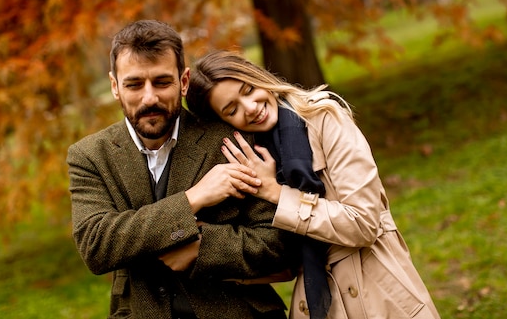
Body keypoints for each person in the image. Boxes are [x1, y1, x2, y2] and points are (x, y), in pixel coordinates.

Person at [186, 50, 441, 319]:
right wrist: (202, 248)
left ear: (259, 77)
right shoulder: (251, 159)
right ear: (224, 123)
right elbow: (282, 261)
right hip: (318, 304)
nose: (250, 107)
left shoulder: (323, 117)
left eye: (248, 89)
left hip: (379, 295)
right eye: (232, 109)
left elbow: (363, 224)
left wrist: (275, 192)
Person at [67, 21, 296, 319]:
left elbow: (277, 247)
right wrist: (192, 200)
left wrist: (203, 249)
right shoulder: (89, 156)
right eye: (134, 84)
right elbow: (96, 246)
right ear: (115, 87)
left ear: (184, 81)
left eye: (162, 82)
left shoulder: (230, 138)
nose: (149, 98)